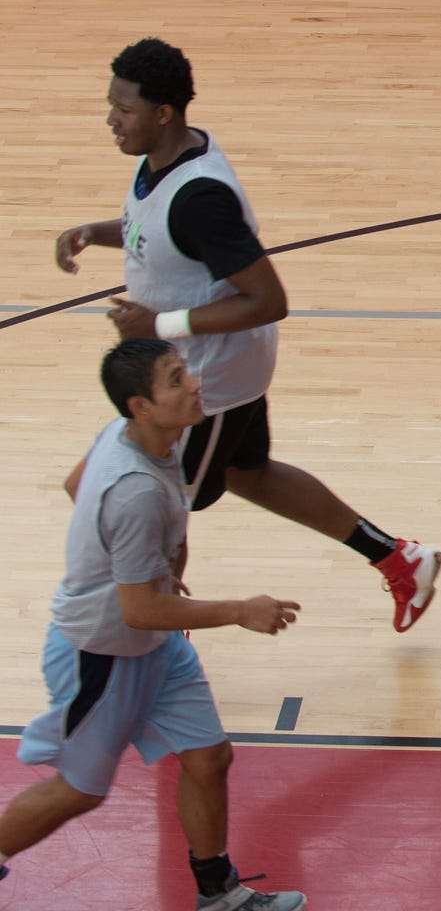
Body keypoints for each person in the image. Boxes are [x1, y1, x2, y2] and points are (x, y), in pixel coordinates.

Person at [55, 38, 441, 632]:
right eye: (110, 105)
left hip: (202, 382)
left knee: (136, 495)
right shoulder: (165, 154)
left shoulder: (200, 197)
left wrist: (157, 325)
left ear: (163, 113)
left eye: (123, 109)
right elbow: (153, 229)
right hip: (212, 366)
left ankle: (163, 631)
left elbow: (268, 300)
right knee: (246, 473)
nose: (111, 119)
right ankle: (398, 559)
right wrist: (93, 231)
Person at [0, 340, 305, 909]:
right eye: (174, 378)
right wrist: (239, 610)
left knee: (209, 756)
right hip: (101, 654)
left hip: (154, 644)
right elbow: (137, 608)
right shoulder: (134, 490)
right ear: (142, 405)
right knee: (78, 793)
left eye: (183, 369)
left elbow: (76, 486)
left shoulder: (135, 435)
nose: (192, 383)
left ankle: (219, 894)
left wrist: (146, 562)